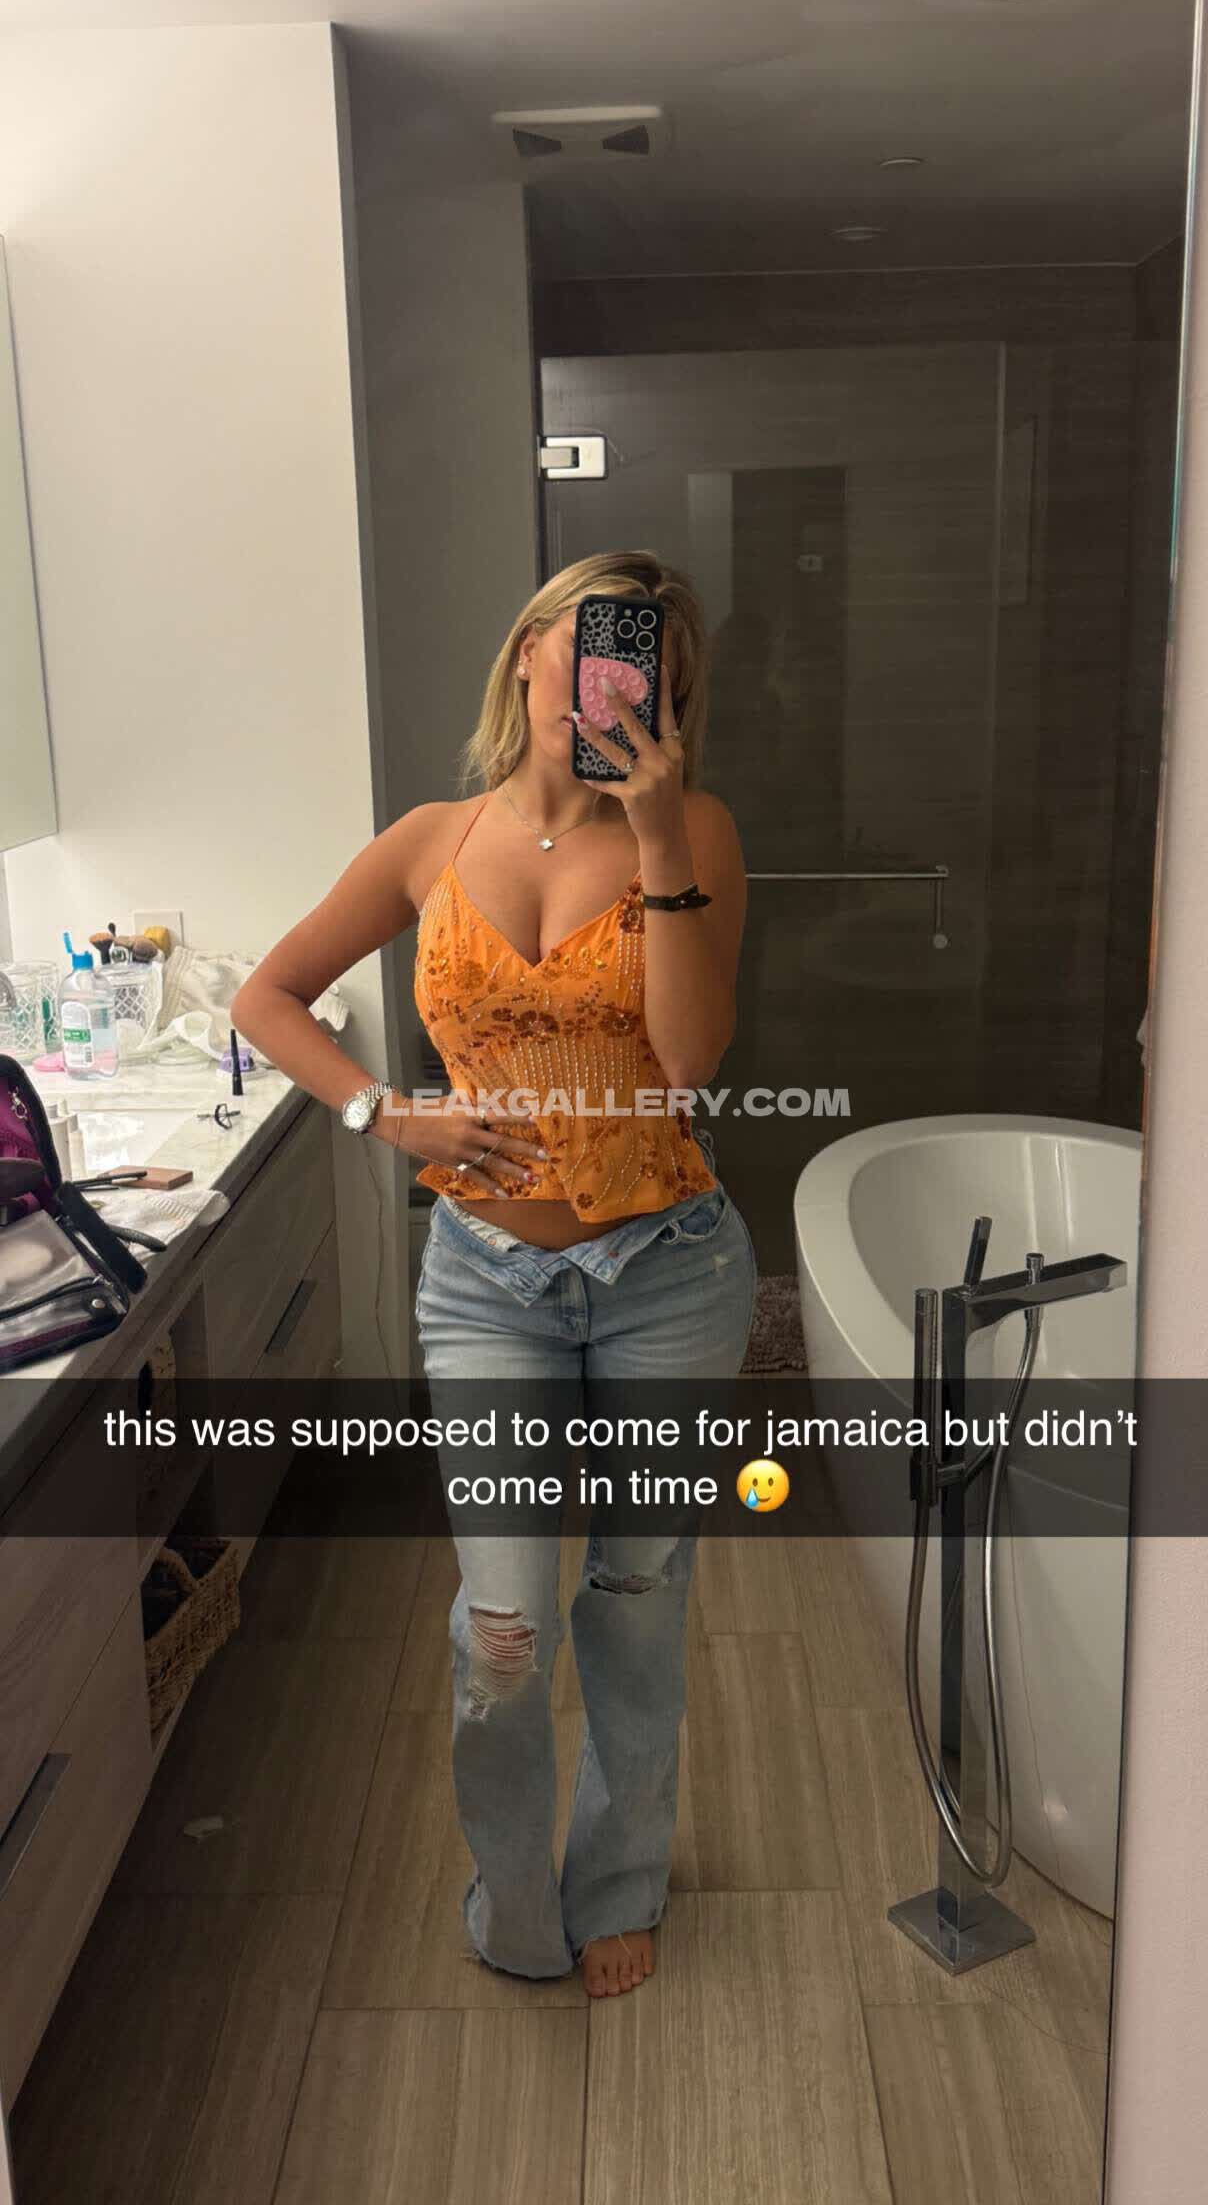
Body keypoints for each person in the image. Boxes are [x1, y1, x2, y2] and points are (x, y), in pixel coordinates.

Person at [232, 549, 756, 1999]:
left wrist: (657, 842)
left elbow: (690, 1064)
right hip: (483, 1284)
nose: (611, 682)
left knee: (638, 1593)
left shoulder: (695, 830)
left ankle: (620, 1879)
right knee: (504, 1633)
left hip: (669, 1271)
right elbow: (268, 996)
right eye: (588, 643)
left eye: (647, 664)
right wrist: (383, 1112)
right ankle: (515, 1896)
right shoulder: (428, 839)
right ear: (529, 650)